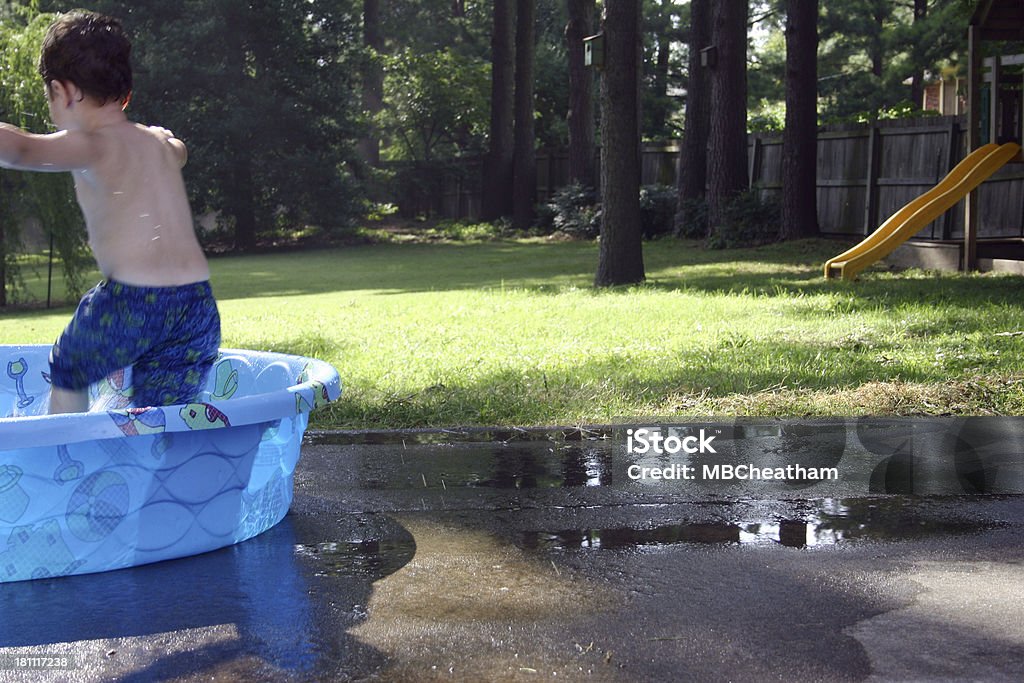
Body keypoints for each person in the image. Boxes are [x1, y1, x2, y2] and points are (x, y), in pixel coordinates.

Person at [0, 11, 220, 413]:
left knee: (69, 365)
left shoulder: (92, 143)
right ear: (127, 94)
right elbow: (179, 150)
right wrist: (167, 142)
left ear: (62, 92)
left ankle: (61, 460)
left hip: (136, 303)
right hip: (196, 306)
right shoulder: (154, 143)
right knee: (162, 415)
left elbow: (22, 148)